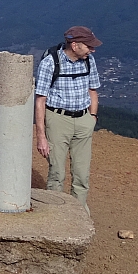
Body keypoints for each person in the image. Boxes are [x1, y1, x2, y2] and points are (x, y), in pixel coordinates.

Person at [34, 26, 102, 205]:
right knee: (56, 172)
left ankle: (78, 215)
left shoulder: (89, 61)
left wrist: (92, 117)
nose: (92, 50)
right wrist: (41, 136)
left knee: (82, 174)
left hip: (83, 119)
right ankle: (55, 215)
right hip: (58, 120)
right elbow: (40, 100)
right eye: (88, 46)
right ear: (74, 45)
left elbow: (93, 90)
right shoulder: (50, 63)